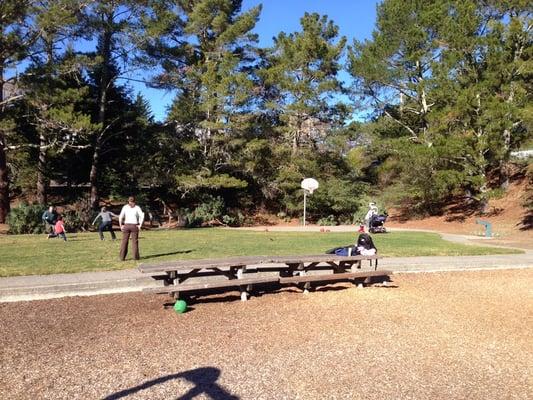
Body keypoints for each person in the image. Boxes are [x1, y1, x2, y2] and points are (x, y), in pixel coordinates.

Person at [118, 196, 144, 261]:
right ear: (134, 201)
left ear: (128, 201)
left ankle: (122, 257)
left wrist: (121, 225)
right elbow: (142, 216)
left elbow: (120, 217)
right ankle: (135, 257)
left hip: (126, 225)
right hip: (134, 226)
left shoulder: (125, 207)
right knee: (134, 242)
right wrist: (140, 225)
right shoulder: (137, 207)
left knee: (124, 241)